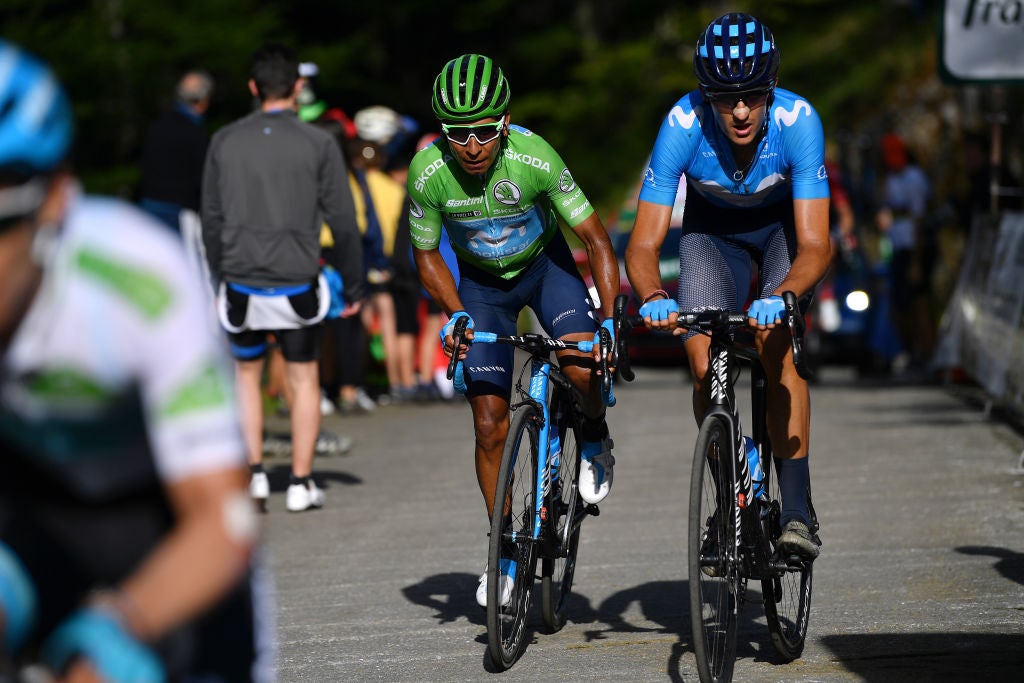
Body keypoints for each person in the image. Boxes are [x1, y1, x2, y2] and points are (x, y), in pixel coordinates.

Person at [0, 40, 272, 681]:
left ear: (56, 198)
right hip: (29, 524)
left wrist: (114, 634)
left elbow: (223, 522)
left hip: (166, 528)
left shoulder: (137, 283)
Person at [407, 54, 620, 607]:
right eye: (458, 133)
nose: (472, 145)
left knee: (580, 365)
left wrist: (610, 322)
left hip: (546, 269)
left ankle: (593, 431)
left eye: (483, 131)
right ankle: (503, 553)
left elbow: (597, 241)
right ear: (443, 132)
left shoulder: (534, 157)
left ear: (503, 124)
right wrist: (454, 310)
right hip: (482, 289)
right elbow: (426, 255)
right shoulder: (427, 172)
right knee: (487, 422)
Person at [624, 13, 828, 563]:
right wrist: (653, 297)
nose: (739, 112)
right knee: (701, 362)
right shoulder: (681, 126)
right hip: (712, 234)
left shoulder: (798, 120)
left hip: (783, 231)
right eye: (723, 99)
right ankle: (734, 484)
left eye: (752, 97)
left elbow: (815, 246)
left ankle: (795, 511)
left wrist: (782, 296)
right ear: (704, 95)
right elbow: (643, 247)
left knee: (773, 347)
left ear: (770, 89)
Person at [202, 44, 365, 513]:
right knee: (303, 377)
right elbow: (344, 220)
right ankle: (299, 482)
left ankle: (253, 475)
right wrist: (353, 285)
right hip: (296, 279)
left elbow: (211, 219)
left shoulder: (224, 140)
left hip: (238, 278)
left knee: (246, 376)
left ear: (253, 88)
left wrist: (217, 273)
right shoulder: (318, 142)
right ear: (297, 87)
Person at [138, 69, 215, 288]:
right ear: (203, 100)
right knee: (186, 274)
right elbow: (202, 181)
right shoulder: (196, 134)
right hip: (179, 212)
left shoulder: (156, 125)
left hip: (149, 206)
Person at [875, 132, 934, 371]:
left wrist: (916, 263)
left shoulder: (915, 178)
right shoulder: (890, 179)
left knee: (918, 303)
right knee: (898, 305)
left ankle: (928, 354)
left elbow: (919, 221)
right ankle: (909, 350)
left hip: (915, 248)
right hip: (897, 247)